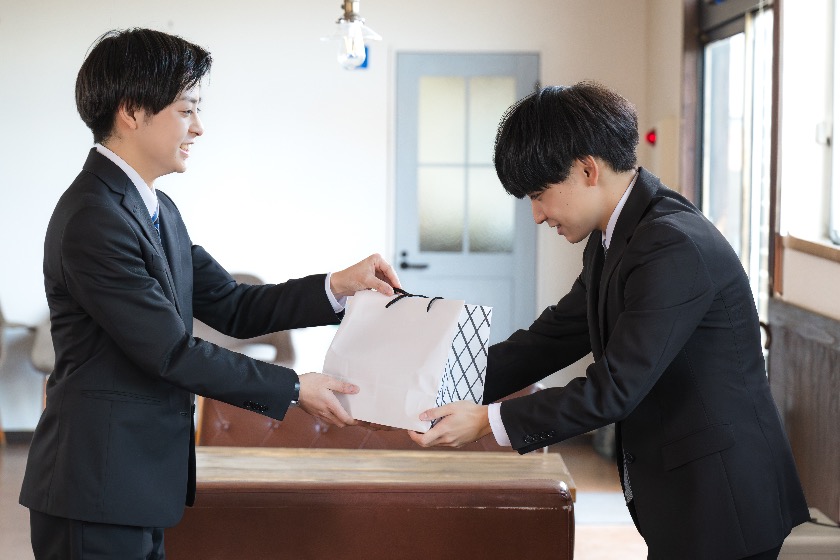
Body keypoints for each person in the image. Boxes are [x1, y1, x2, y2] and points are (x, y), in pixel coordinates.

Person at [19, 28, 400, 560]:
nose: (198, 127)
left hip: (137, 483)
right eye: (186, 109)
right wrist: (294, 386)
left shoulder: (157, 210)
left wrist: (337, 286)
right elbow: (170, 351)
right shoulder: (94, 218)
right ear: (131, 111)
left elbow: (235, 306)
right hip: (96, 484)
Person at [409, 82, 809, 559]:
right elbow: (551, 339)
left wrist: (487, 421)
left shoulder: (669, 243)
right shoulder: (618, 236)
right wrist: (441, 381)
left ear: (586, 169)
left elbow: (615, 388)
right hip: (688, 497)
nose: (537, 216)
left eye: (539, 195)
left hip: (724, 500)